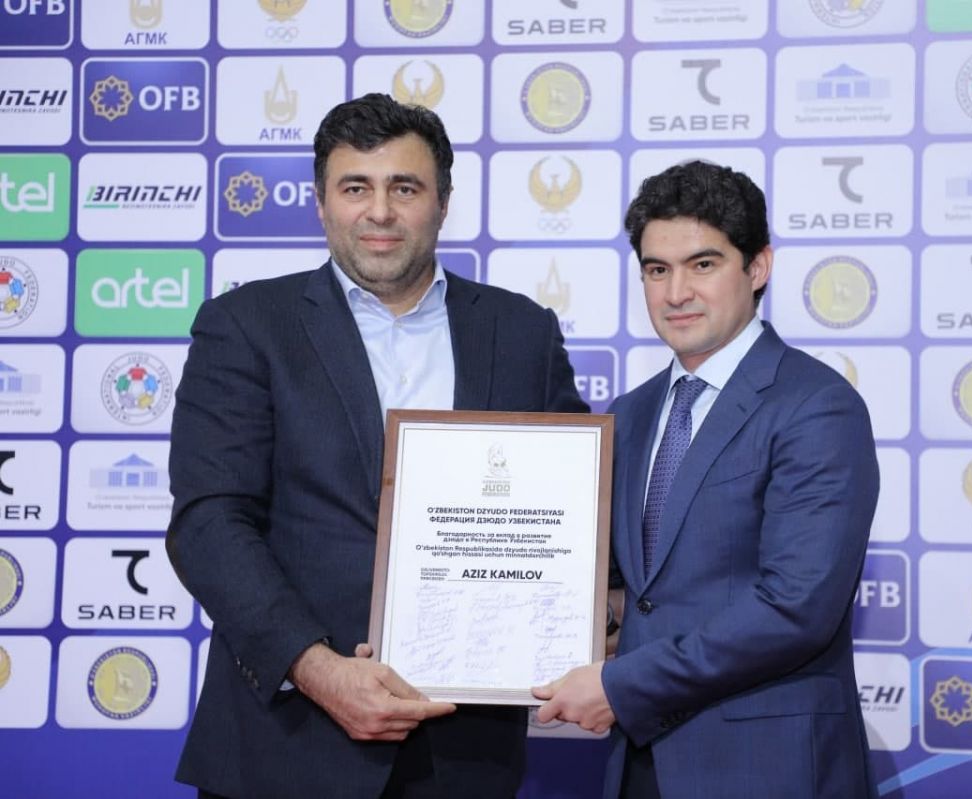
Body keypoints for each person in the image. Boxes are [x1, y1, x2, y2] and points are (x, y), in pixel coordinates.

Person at [167, 94, 587, 799]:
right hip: (287, 744)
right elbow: (210, 522)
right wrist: (317, 668)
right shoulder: (246, 324)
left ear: (443, 202)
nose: (380, 211)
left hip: (465, 753)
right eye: (355, 187)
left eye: (405, 188)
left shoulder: (522, 331)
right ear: (321, 203)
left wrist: (594, 613)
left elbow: (571, 509)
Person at [534, 161, 880, 798]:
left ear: (758, 267)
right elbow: (629, 589)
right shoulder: (630, 415)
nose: (676, 293)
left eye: (702, 264)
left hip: (765, 768)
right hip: (641, 764)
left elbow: (795, 608)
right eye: (656, 270)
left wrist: (621, 686)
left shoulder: (816, 406)